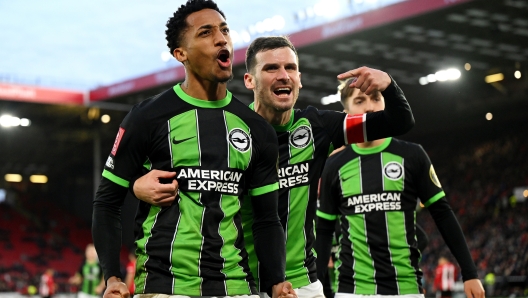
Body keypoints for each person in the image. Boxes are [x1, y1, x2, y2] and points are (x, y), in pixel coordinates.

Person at [132, 35, 415, 298]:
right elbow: (186, 180)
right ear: (249, 80)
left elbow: (399, 122)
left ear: (299, 79)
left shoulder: (320, 127)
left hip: (301, 283)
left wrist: (388, 84)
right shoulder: (228, 128)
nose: (283, 75)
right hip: (240, 284)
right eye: (271, 68)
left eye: (290, 68)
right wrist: (137, 184)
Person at [92, 1, 294, 298]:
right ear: (180, 54)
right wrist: (112, 276)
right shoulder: (147, 117)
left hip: (235, 286)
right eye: (206, 32)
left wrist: (276, 280)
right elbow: (107, 202)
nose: (222, 38)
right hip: (164, 285)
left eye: (225, 30)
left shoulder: (257, 129)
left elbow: (266, 218)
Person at [315, 80, 485, 298]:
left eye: (376, 98)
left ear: (385, 104)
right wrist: (320, 286)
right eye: (360, 100)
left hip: (406, 289)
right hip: (352, 290)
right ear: (346, 112)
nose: (370, 107)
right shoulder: (334, 165)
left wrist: (470, 272)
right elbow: (324, 232)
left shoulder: (412, 156)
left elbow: (442, 214)